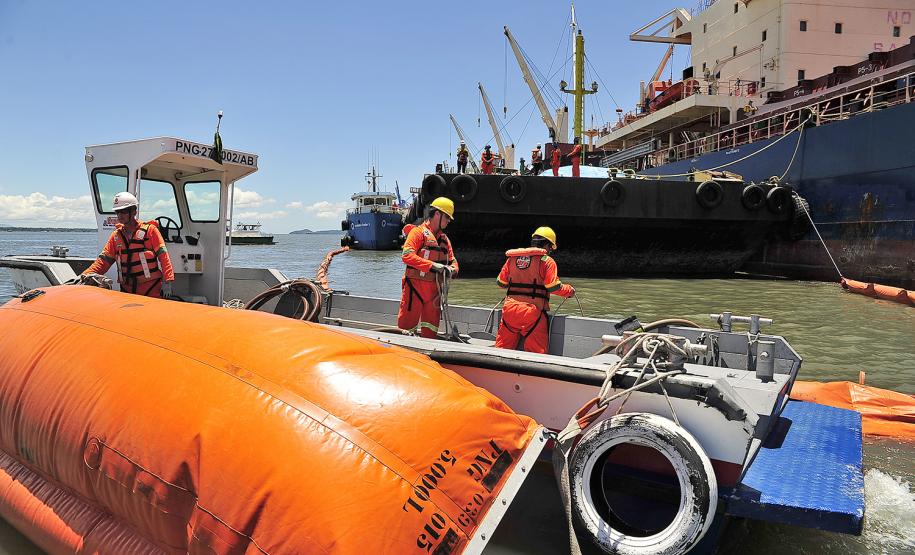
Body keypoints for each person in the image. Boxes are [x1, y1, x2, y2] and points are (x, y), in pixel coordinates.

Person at [495, 226, 574, 354]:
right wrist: (569, 291)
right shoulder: (547, 261)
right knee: (536, 355)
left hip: (509, 312)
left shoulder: (512, 258)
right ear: (547, 245)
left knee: (501, 351)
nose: (550, 252)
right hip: (533, 315)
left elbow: (501, 282)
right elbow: (553, 287)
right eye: (550, 248)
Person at [82, 192, 175, 298]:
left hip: (150, 288)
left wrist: (167, 282)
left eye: (124, 211)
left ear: (134, 211)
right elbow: (103, 262)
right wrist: (84, 276)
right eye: (117, 212)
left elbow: (164, 257)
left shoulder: (150, 231)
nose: (120, 215)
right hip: (126, 290)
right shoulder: (116, 237)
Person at [398, 197, 459, 338]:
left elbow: (453, 261)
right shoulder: (417, 233)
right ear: (437, 214)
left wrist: (452, 270)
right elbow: (406, 255)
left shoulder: (444, 240)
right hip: (414, 290)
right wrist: (432, 266)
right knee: (406, 331)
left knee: (431, 332)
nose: (448, 221)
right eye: (447, 217)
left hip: (434, 294)